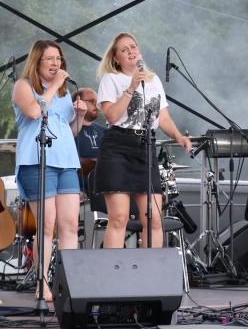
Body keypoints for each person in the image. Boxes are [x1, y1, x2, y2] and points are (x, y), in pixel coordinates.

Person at [94, 32, 192, 249]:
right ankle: (113, 267)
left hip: (145, 146)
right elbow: (111, 116)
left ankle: (150, 268)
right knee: (119, 218)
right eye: (124, 49)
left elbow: (163, 117)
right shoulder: (111, 79)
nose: (131, 51)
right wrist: (131, 87)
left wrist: (178, 136)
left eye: (133, 46)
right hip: (118, 146)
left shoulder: (153, 80)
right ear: (115, 58)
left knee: (154, 218)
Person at [12, 40, 85, 300]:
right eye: (50, 59)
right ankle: (41, 284)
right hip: (37, 160)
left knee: (69, 224)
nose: (56, 63)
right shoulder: (23, 86)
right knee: (46, 225)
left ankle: (67, 284)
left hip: (66, 160)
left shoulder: (64, 92)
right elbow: (34, 112)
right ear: (37, 61)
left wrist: (79, 117)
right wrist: (53, 86)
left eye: (59, 59)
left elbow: (68, 130)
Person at [72, 87, 105, 187]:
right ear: (78, 102)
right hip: (76, 189)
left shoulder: (104, 131)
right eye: (92, 101)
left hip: (100, 188)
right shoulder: (68, 131)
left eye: (97, 102)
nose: (96, 105)